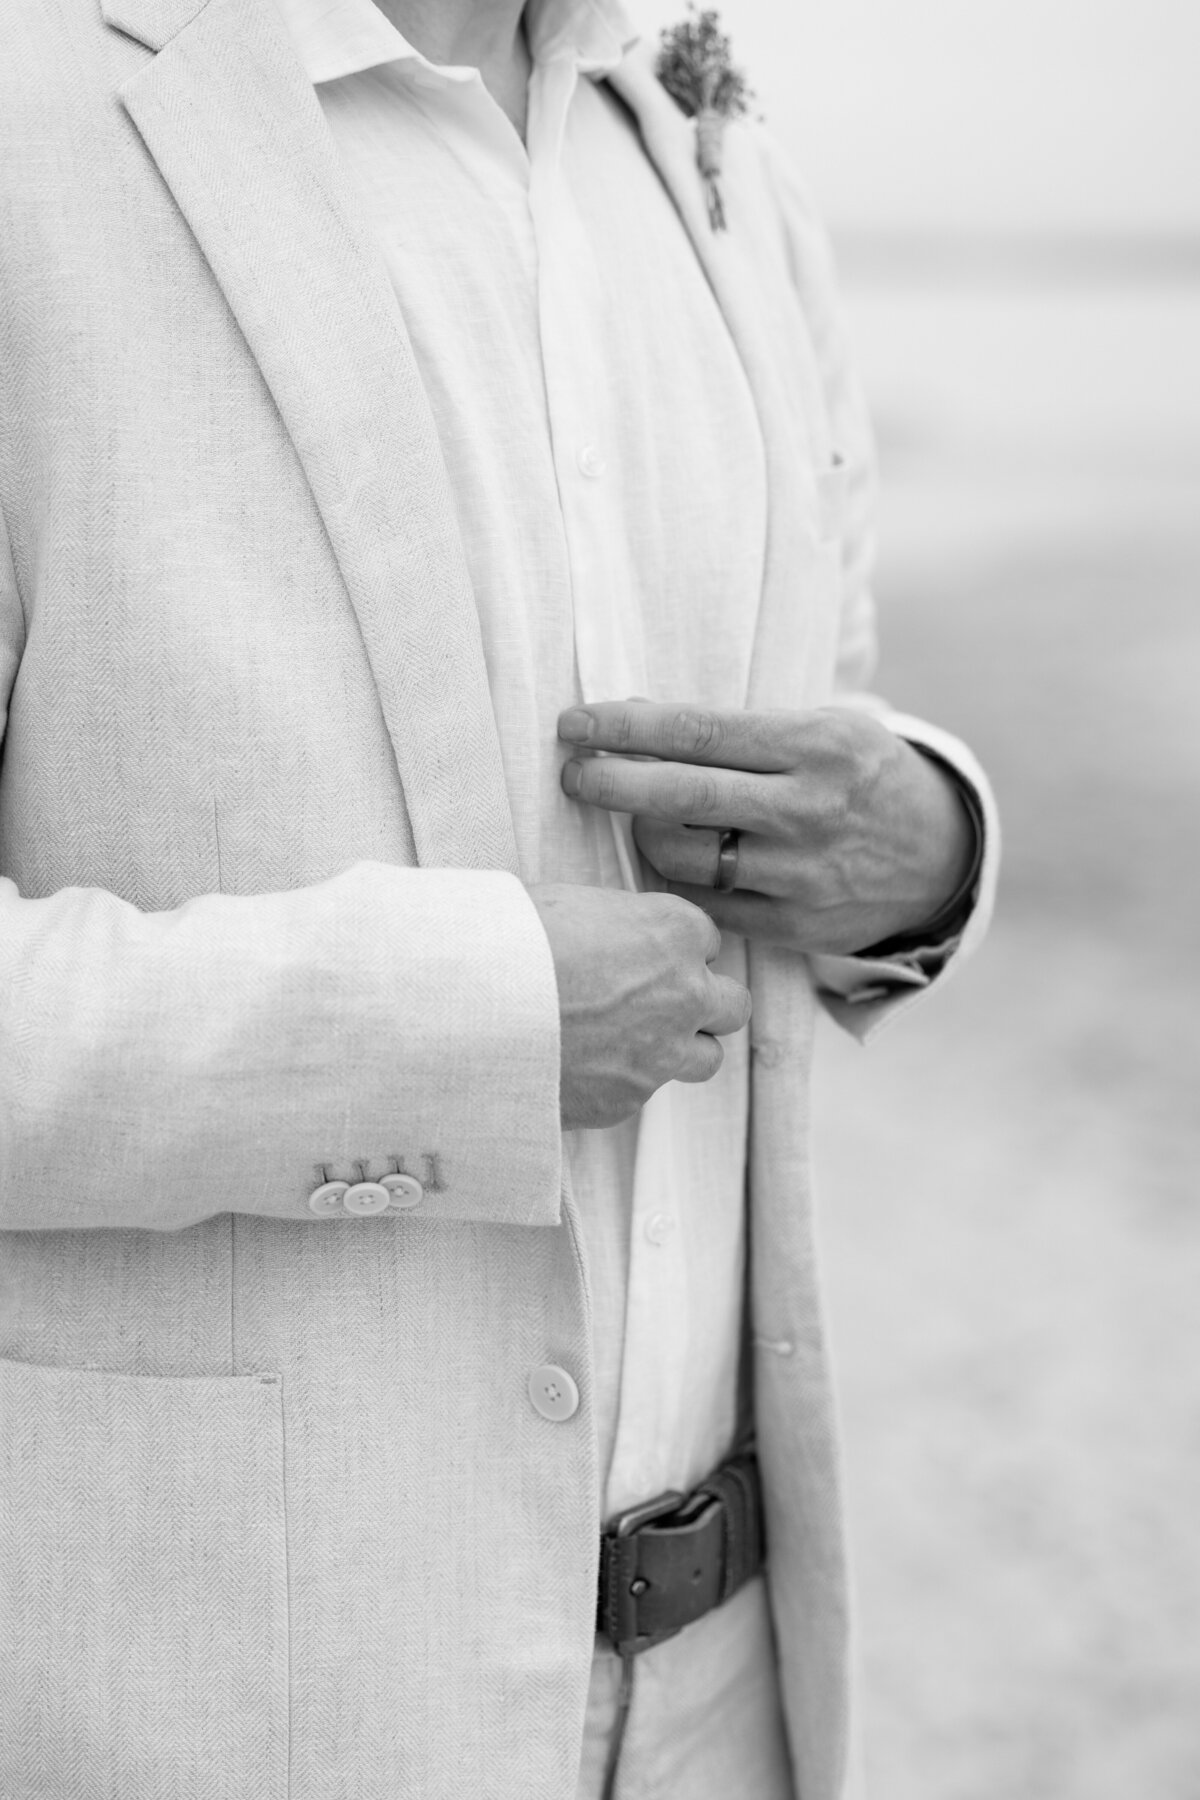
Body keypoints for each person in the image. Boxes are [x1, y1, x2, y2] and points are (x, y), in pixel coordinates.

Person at [0, 0, 998, 1794]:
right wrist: (462, 1026)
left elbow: (827, 696)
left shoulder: (705, 142)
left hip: (732, 1694)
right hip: (243, 1702)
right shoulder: (31, 132)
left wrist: (925, 849)